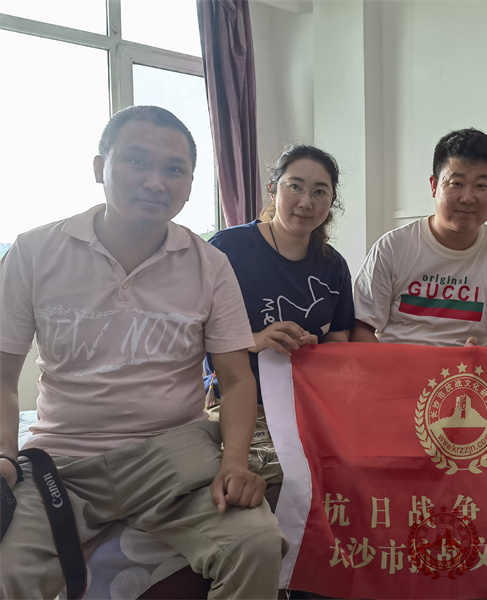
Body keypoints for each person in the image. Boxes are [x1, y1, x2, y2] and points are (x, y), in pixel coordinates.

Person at [0, 106, 287, 598]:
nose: (155, 182)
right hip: (64, 463)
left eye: (174, 169)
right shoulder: (33, 252)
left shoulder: (211, 264)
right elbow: (4, 378)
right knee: (9, 571)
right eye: (136, 161)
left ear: (190, 184)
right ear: (100, 167)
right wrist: (5, 452)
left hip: (175, 455)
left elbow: (237, 380)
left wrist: (235, 462)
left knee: (257, 544)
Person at [203, 144, 354, 499]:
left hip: (307, 404)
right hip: (240, 404)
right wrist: (254, 339)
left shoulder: (333, 266)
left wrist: (317, 351)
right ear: (273, 189)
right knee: (280, 479)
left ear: (331, 202)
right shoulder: (228, 249)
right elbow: (191, 334)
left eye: (320, 192)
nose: (306, 202)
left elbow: (339, 339)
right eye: (295, 186)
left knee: (351, 471)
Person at [351, 128, 487, 347]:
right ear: (434, 186)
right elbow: (360, 327)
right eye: (456, 183)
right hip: (397, 364)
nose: (468, 198)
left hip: (468, 367)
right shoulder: (392, 246)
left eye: (481, 186)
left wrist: (479, 362)